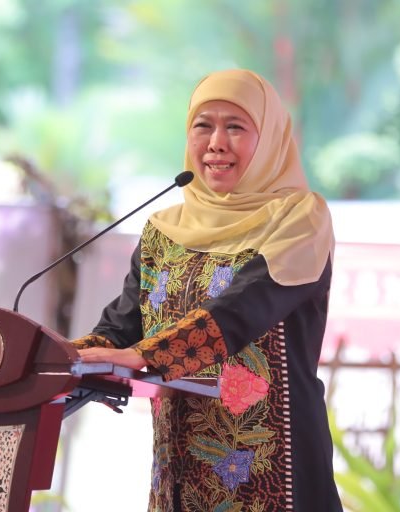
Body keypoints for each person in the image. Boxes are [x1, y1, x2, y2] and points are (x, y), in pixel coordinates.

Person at [71, 68, 342, 511]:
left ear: (269, 139)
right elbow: (120, 328)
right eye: (203, 126)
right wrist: (59, 358)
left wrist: (147, 354)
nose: (216, 143)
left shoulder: (299, 218)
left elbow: (245, 307)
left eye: (235, 127)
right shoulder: (164, 230)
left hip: (272, 470)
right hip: (179, 468)